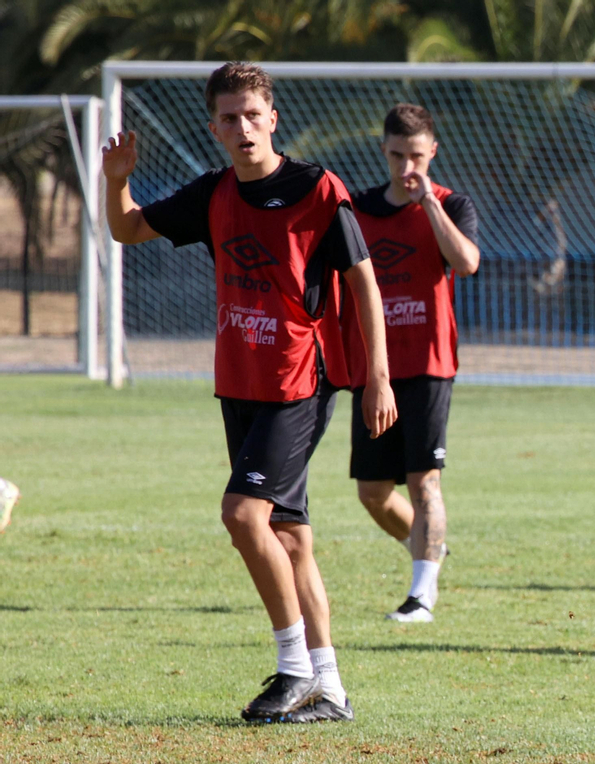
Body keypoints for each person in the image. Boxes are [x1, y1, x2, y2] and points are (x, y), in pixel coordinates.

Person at [102, 62, 397, 723]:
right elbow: (128, 230)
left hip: (300, 379)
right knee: (288, 536)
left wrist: (377, 375)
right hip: (240, 381)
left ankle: (293, 669)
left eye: (251, 114)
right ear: (215, 128)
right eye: (228, 118)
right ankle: (332, 691)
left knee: (243, 515)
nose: (242, 127)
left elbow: (365, 284)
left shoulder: (318, 189)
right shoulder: (213, 194)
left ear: (273, 117)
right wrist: (114, 182)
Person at [345, 103, 480, 624]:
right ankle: (431, 552)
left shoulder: (451, 203)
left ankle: (422, 595)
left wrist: (428, 204)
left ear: (433, 153)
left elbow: (466, 262)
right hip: (373, 367)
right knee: (373, 493)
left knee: (424, 481)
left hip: (428, 365)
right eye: (398, 155)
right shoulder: (357, 211)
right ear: (384, 151)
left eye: (417, 156)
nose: (407, 167)